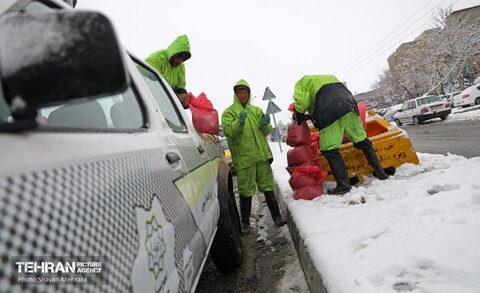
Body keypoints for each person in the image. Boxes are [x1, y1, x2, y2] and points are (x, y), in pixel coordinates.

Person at [293, 75, 388, 195]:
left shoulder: (301, 83)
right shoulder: (330, 78)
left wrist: (298, 111)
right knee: (362, 141)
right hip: (349, 107)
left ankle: (344, 185)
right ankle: (380, 172)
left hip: (329, 112)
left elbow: (302, 101)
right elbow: (330, 96)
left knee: (330, 150)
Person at [222, 79, 286, 234]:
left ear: (249, 93)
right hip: (245, 160)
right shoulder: (229, 113)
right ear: (236, 94)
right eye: (239, 92)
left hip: (261, 157)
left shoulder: (256, 110)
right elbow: (230, 132)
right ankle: (244, 224)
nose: (243, 95)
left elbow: (265, 131)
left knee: (268, 188)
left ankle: (277, 217)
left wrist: (265, 124)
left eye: (245, 92)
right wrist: (239, 122)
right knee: (246, 192)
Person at [145, 34, 191, 109]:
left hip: (160, 106)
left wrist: (185, 100)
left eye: (184, 59)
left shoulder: (181, 67)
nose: (180, 61)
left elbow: (180, 88)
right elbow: (150, 83)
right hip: (143, 96)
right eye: (179, 56)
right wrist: (176, 97)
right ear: (173, 52)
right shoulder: (158, 58)